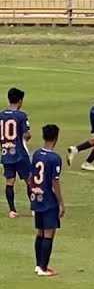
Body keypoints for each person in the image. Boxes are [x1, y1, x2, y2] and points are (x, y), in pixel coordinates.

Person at [29, 124, 63, 277]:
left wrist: (32, 194)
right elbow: (54, 183)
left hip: (37, 197)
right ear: (56, 138)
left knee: (40, 232)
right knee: (49, 233)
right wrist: (61, 203)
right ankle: (43, 268)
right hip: (49, 200)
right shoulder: (55, 158)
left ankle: (38, 265)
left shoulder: (36, 154)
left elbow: (31, 178)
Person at [1, 87, 32, 219]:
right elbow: (26, 134)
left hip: (6, 152)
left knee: (10, 181)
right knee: (29, 180)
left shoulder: (1, 115)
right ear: (20, 101)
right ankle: (34, 209)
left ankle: (12, 210)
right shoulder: (21, 116)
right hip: (20, 153)